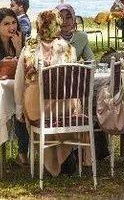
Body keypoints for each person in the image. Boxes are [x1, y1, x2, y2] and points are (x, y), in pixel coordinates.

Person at [14, 10, 80, 176]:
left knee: (33, 105)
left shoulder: (29, 47)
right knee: (67, 109)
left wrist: (19, 106)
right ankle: (63, 157)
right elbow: (72, 79)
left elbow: (19, 81)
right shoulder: (68, 48)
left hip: (37, 109)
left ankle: (52, 162)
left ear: (38, 25)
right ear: (56, 25)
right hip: (64, 108)